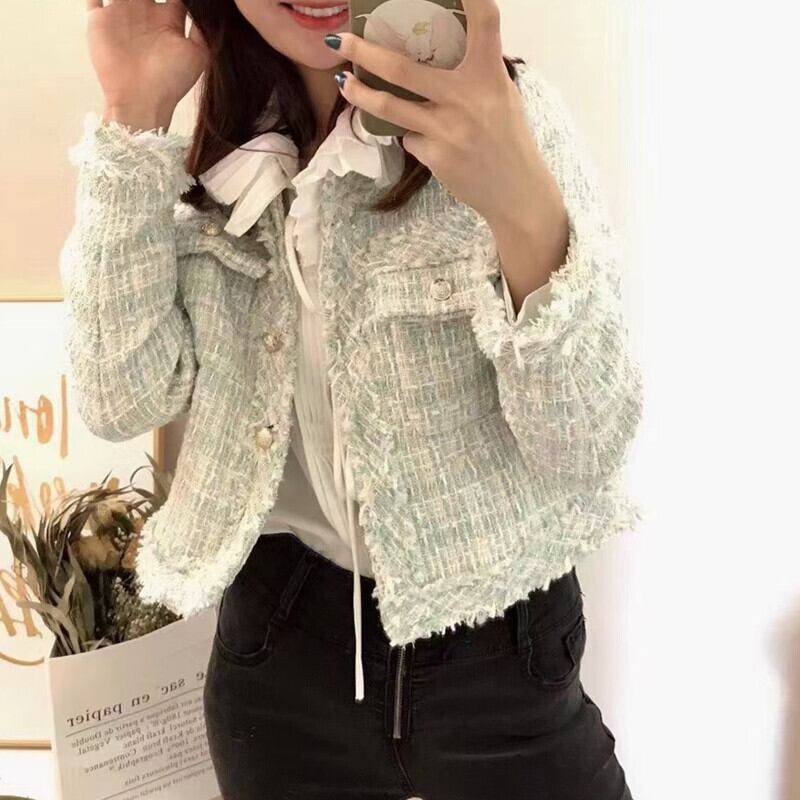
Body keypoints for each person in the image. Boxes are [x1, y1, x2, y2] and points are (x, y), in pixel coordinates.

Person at [62, 0, 643, 797]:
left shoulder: (507, 119)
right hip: (281, 652)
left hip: (500, 643)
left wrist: (521, 207)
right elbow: (120, 400)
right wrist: (133, 113)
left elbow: (587, 441)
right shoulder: (215, 151)